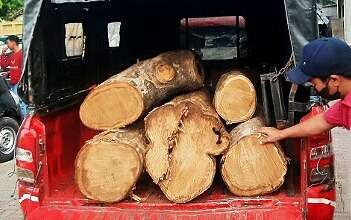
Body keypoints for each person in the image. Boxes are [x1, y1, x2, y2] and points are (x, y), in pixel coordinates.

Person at [259, 37, 351, 143]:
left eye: (314, 83)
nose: (314, 88)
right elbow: (322, 121)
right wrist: (281, 133)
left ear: (334, 80)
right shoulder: (345, 105)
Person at [0, 35, 27, 117]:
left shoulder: (22, 54)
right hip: (12, 83)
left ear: (13, 42)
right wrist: (2, 54)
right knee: (17, 104)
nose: (7, 45)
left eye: (8, 43)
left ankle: (25, 122)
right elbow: (4, 65)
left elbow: (23, 69)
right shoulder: (11, 55)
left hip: (18, 83)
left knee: (22, 104)